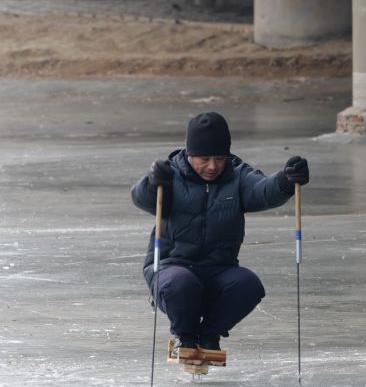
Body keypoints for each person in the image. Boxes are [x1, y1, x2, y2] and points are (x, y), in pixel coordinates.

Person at [131, 111, 310, 355]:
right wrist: (151, 182)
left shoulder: (237, 175)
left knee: (248, 285)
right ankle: (185, 335)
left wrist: (286, 181)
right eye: (204, 158)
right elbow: (142, 199)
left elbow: (262, 190)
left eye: (220, 157)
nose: (213, 166)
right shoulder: (170, 175)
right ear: (189, 153)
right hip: (172, 265)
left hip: (219, 268)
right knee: (180, 284)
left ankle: (209, 336)